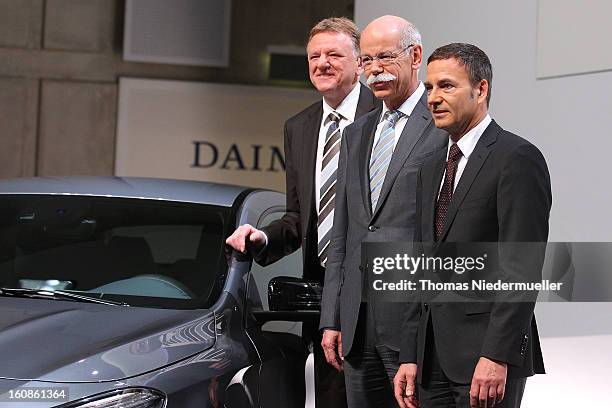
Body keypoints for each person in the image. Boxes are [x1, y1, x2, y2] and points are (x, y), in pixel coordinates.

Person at [225, 17, 380, 407]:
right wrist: (261, 238)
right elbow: (299, 219)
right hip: (324, 299)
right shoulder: (300, 126)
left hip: (378, 294)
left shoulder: (386, 118)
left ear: (359, 64)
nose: (322, 63)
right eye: (314, 56)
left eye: (333, 55)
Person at [394, 43, 551, 408]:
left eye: (446, 86)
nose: (433, 98)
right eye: (430, 87)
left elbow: (522, 268)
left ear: (481, 90)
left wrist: (497, 355)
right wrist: (409, 353)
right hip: (430, 361)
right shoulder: (431, 166)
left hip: (486, 362)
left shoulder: (516, 158)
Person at [318, 16, 447, 407]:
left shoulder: (442, 126)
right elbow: (343, 233)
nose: (375, 69)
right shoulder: (356, 132)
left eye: (386, 57)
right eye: (367, 60)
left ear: (416, 57)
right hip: (357, 323)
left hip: (413, 323)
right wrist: (332, 317)